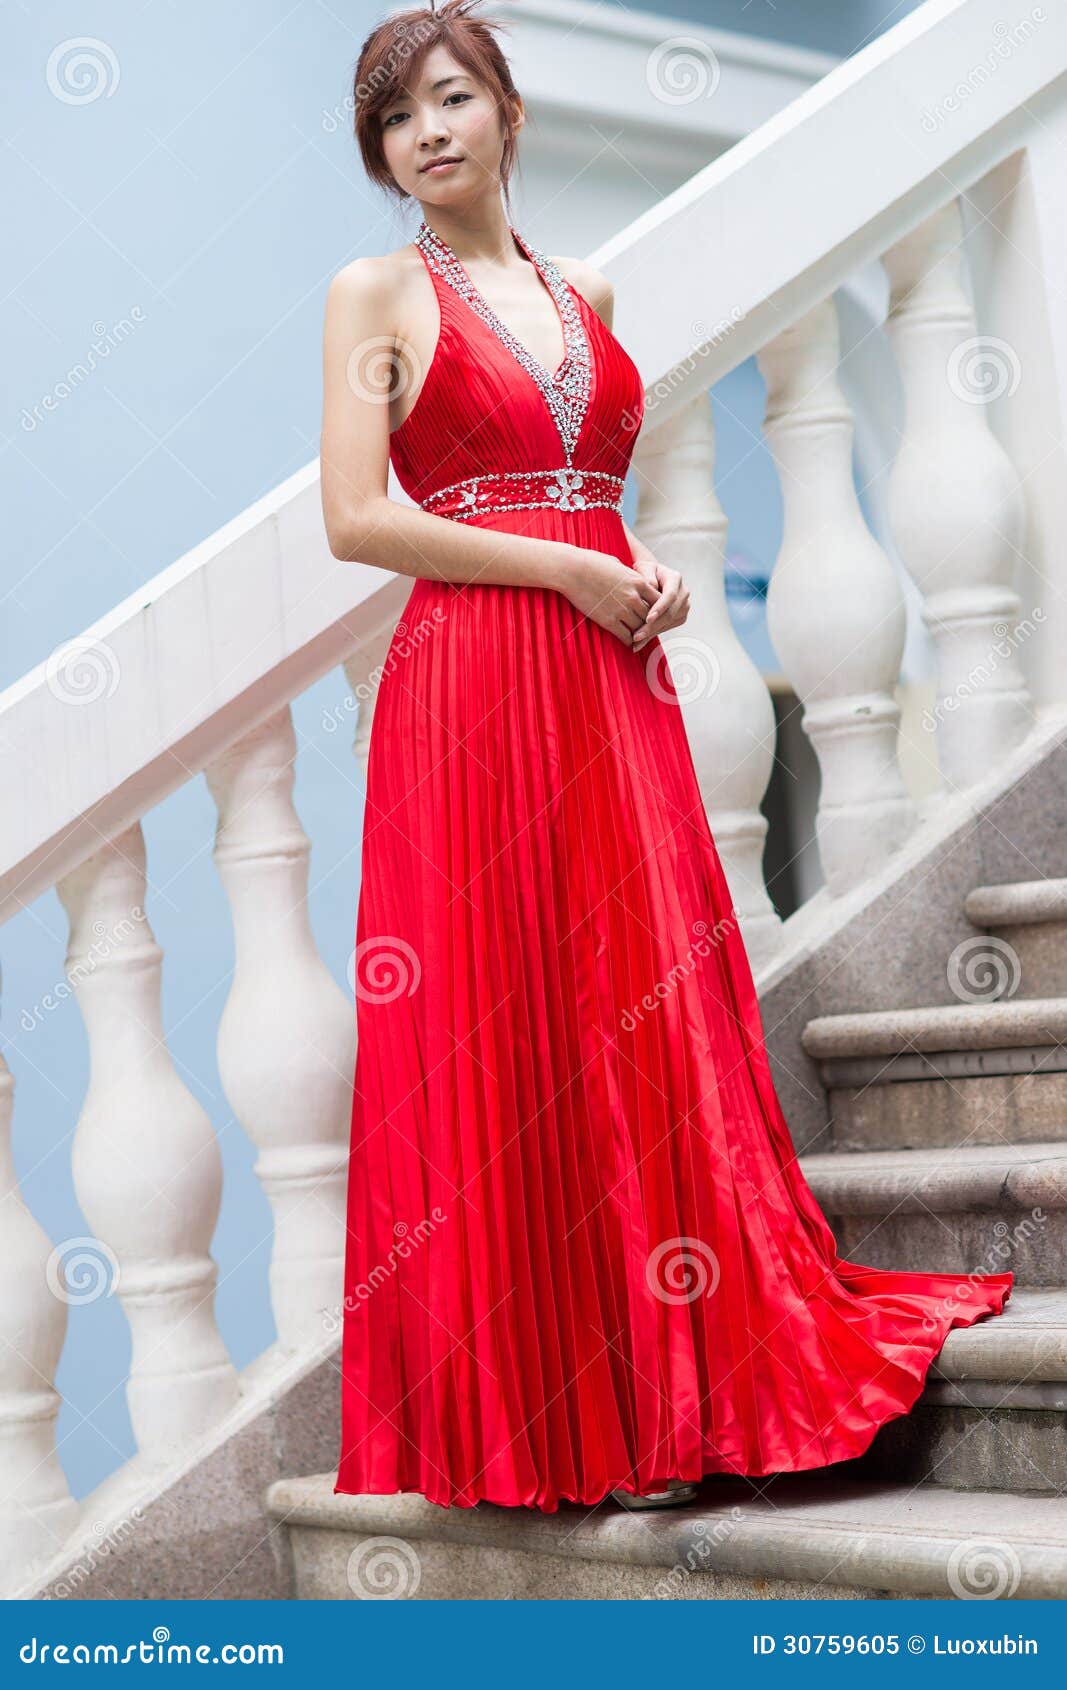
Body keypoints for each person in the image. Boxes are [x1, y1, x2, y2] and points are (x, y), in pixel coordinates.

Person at [320, 0, 1012, 1515]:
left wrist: (630, 573)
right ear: (383, 153)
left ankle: (672, 1370)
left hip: (603, 675)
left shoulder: (591, 289)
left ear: (507, 110)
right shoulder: (374, 292)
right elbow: (357, 520)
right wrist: (559, 568)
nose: (427, 131)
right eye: (395, 117)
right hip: (476, 684)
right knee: (508, 1005)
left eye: (450, 97)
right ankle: (552, 1409)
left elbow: (591, 490)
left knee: (631, 997)